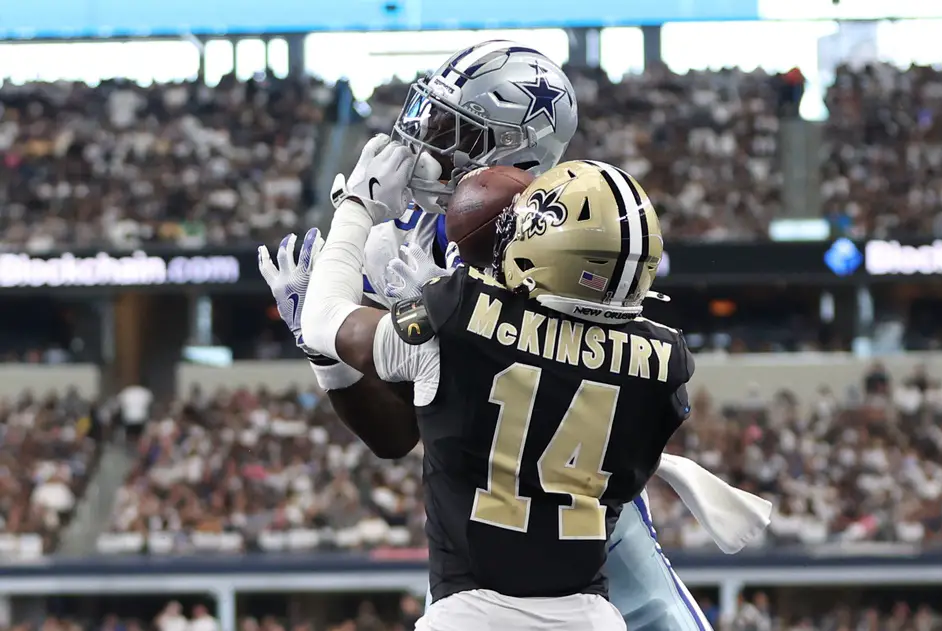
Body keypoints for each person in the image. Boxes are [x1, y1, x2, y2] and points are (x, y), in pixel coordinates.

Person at [259, 41, 770, 631]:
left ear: (518, 149)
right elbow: (398, 434)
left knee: (659, 616)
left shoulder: (575, 234)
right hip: (481, 507)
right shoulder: (402, 233)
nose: (429, 139)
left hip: (578, 489)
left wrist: (383, 315)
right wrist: (332, 359)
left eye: (458, 128)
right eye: (436, 117)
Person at [301, 155, 694, 629]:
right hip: (590, 618)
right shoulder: (666, 361)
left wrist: (355, 205)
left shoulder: (459, 315)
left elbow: (324, 320)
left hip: (470, 615)